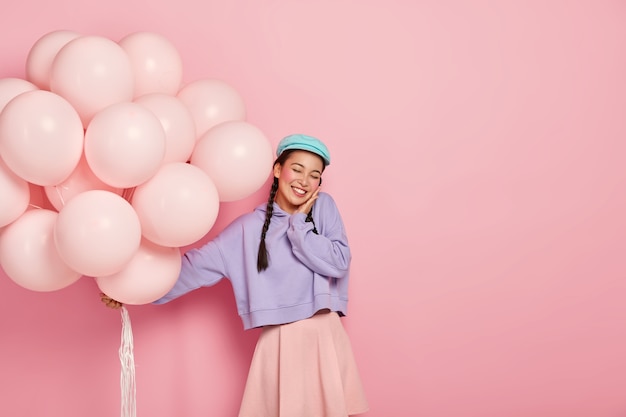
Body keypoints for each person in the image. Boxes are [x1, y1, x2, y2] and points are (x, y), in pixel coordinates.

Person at [102, 133, 369, 417]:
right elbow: (193, 269)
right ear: (278, 170)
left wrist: (300, 225)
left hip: (325, 335)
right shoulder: (245, 230)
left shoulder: (322, 208)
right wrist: (132, 291)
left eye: (314, 175)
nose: (304, 181)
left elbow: (339, 262)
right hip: (281, 342)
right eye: (297, 169)